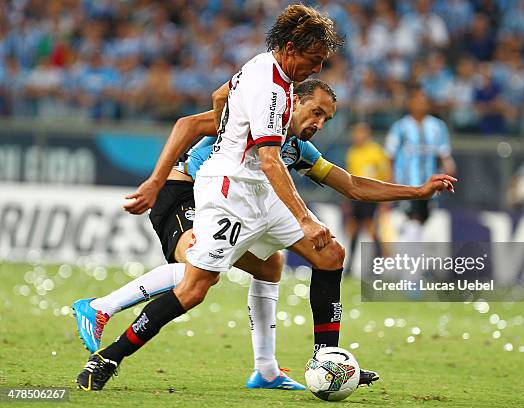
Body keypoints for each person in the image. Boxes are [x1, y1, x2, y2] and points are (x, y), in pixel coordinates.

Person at [74, 79, 456, 390]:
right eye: (316, 112)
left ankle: (320, 363)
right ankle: (107, 342)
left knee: (314, 258)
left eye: (326, 118)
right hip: (186, 193)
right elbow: (190, 123)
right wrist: (156, 181)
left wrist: (417, 190)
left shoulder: (296, 148)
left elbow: (352, 184)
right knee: (195, 280)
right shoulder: (250, 117)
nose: (320, 123)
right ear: (293, 100)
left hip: (245, 203)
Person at [75, 4, 348, 392]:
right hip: (230, 189)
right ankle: (108, 358)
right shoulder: (271, 88)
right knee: (195, 287)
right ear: (290, 48)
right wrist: (305, 217)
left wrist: (227, 128)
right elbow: (271, 159)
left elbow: (221, 93)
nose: (317, 69)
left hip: (256, 185)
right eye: (314, 60)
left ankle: (327, 363)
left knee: (329, 255)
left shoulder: (264, 67)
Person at [385, 86, 456, 242]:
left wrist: (448, 165)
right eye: (417, 99)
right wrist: (391, 177)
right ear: (410, 103)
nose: (421, 103)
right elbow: (390, 154)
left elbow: (444, 154)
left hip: (430, 184)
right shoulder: (400, 127)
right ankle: (409, 260)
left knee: (423, 221)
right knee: (411, 219)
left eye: (423, 99)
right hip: (407, 184)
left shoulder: (438, 127)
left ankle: (412, 259)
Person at [344, 122, 391, 275]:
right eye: (355, 134)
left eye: (360, 133)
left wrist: (385, 199)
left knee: (371, 230)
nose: (357, 137)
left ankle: (377, 266)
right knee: (354, 231)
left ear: (367, 134)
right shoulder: (352, 152)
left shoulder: (376, 152)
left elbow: (386, 175)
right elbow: (347, 176)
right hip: (355, 196)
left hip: (371, 196)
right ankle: (349, 266)